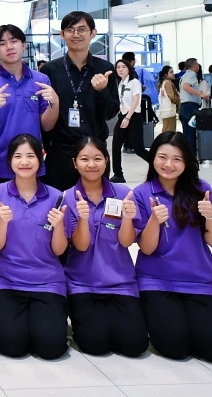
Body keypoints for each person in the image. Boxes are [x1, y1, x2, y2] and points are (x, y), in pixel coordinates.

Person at [132, 132, 212, 363]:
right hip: (157, 281)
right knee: (174, 347)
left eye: (177, 159)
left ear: (187, 161)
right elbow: (147, 249)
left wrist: (210, 216)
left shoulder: (201, 190)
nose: (168, 164)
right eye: (162, 157)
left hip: (200, 281)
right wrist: (154, 221)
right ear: (153, 158)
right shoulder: (142, 193)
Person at [0, 24, 59, 283]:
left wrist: (55, 102)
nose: (9, 47)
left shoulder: (40, 80)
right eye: (2, 43)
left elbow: (47, 125)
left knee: (34, 226)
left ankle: (35, 277)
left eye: (14, 41)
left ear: (24, 45)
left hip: (32, 168)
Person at [59, 137, 148, 357]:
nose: (91, 164)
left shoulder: (123, 194)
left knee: (134, 345)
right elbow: (80, 245)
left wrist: (128, 217)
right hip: (83, 284)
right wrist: (82, 218)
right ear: (75, 163)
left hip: (121, 282)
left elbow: (126, 242)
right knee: (95, 344)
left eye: (97, 158)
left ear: (106, 161)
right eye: (84, 159)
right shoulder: (69, 197)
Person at [0, 134, 68, 359]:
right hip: (8, 280)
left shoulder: (57, 197)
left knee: (51, 348)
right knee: (11, 346)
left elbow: (59, 251)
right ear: (9, 160)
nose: (24, 162)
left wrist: (59, 226)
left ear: (40, 159)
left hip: (47, 281)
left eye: (31, 156)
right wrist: (3, 222)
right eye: (18, 156)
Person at [39, 12, 119, 191]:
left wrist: (102, 91)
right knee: (59, 204)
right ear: (62, 34)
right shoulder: (50, 70)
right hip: (60, 154)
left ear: (93, 33)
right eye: (70, 30)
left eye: (82, 29)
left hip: (94, 154)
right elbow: (42, 114)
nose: (76, 34)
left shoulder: (105, 69)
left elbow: (110, 113)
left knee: (95, 203)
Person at [111, 60, 148, 183]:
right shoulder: (121, 84)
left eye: (123, 67)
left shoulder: (134, 82)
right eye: (118, 67)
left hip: (133, 116)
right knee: (116, 144)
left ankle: (158, 165)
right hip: (122, 115)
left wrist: (128, 117)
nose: (120, 69)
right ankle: (118, 174)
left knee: (138, 148)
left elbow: (136, 101)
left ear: (129, 69)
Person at [177, 58, 208, 153]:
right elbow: (186, 86)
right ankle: (192, 154)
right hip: (190, 106)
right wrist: (200, 94)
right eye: (197, 64)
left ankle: (186, 154)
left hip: (184, 106)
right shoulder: (191, 75)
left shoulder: (184, 76)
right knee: (191, 132)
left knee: (186, 132)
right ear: (194, 65)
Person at [156, 65, 180, 135]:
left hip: (165, 110)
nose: (173, 74)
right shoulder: (168, 83)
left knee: (166, 129)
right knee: (170, 130)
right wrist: (177, 100)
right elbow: (172, 96)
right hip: (170, 110)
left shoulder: (162, 83)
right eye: (171, 72)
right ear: (165, 74)